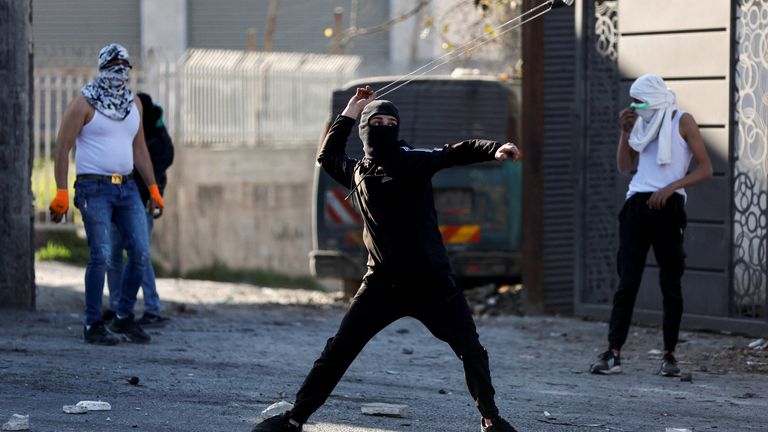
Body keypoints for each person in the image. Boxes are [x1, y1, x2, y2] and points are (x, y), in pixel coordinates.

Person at [251, 86, 522, 432]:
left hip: (432, 282)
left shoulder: (413, 160)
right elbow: (327, 156)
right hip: (381, 283)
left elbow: (454, 152)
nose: (384, 126)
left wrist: (494, 148)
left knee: (471, 349)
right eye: (376, 121)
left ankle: (491, 420)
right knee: (338, 351)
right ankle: (293, 420)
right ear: (365, 128)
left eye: (391, 121)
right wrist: (350, 111)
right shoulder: (357, 172)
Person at [590, 74, 712, 376]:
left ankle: (670, 355)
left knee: (670, 283)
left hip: (668, 206)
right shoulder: (640, 124)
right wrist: (625, 131)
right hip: (636, 205)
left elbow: (706, 168)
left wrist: (671, 187)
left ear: (656, 98)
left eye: (641, 101)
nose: (636, 106)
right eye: (633, 101)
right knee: (627, 282)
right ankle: (613, 352)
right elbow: (625, 167)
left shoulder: (681, 120)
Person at [48, 43, 166, 345]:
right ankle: (92, 324)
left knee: (139, 252)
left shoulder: (134, 104)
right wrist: (61, 192)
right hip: (93, 188)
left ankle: (124, 317)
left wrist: (153, 188)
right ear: (102, 67)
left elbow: (139, 148)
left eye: (125, 64)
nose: (120, 70)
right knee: (100, 255)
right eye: (113, 63)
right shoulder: (84, 103)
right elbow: (62, 147)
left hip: (127, 188)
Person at [104, 92, 175, 327]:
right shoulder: (124, 128)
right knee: (113, 254)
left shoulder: (156, 138)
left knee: (139, 254)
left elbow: (157, 164)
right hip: (118, 200)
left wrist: (151, 195)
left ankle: (152, 308)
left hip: (141, 204)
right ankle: (117, 307)